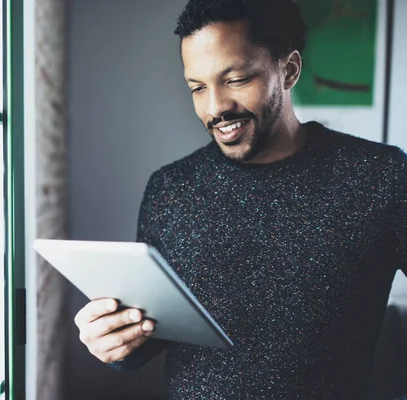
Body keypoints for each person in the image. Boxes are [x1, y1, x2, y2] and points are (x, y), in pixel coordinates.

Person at [73, 0, 407, 398]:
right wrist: (113, 341)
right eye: (197, 88)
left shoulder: (380, 176)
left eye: (235, 80)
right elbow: (150, 334)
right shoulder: (170, 189)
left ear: (289, 70)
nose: (215, 108)